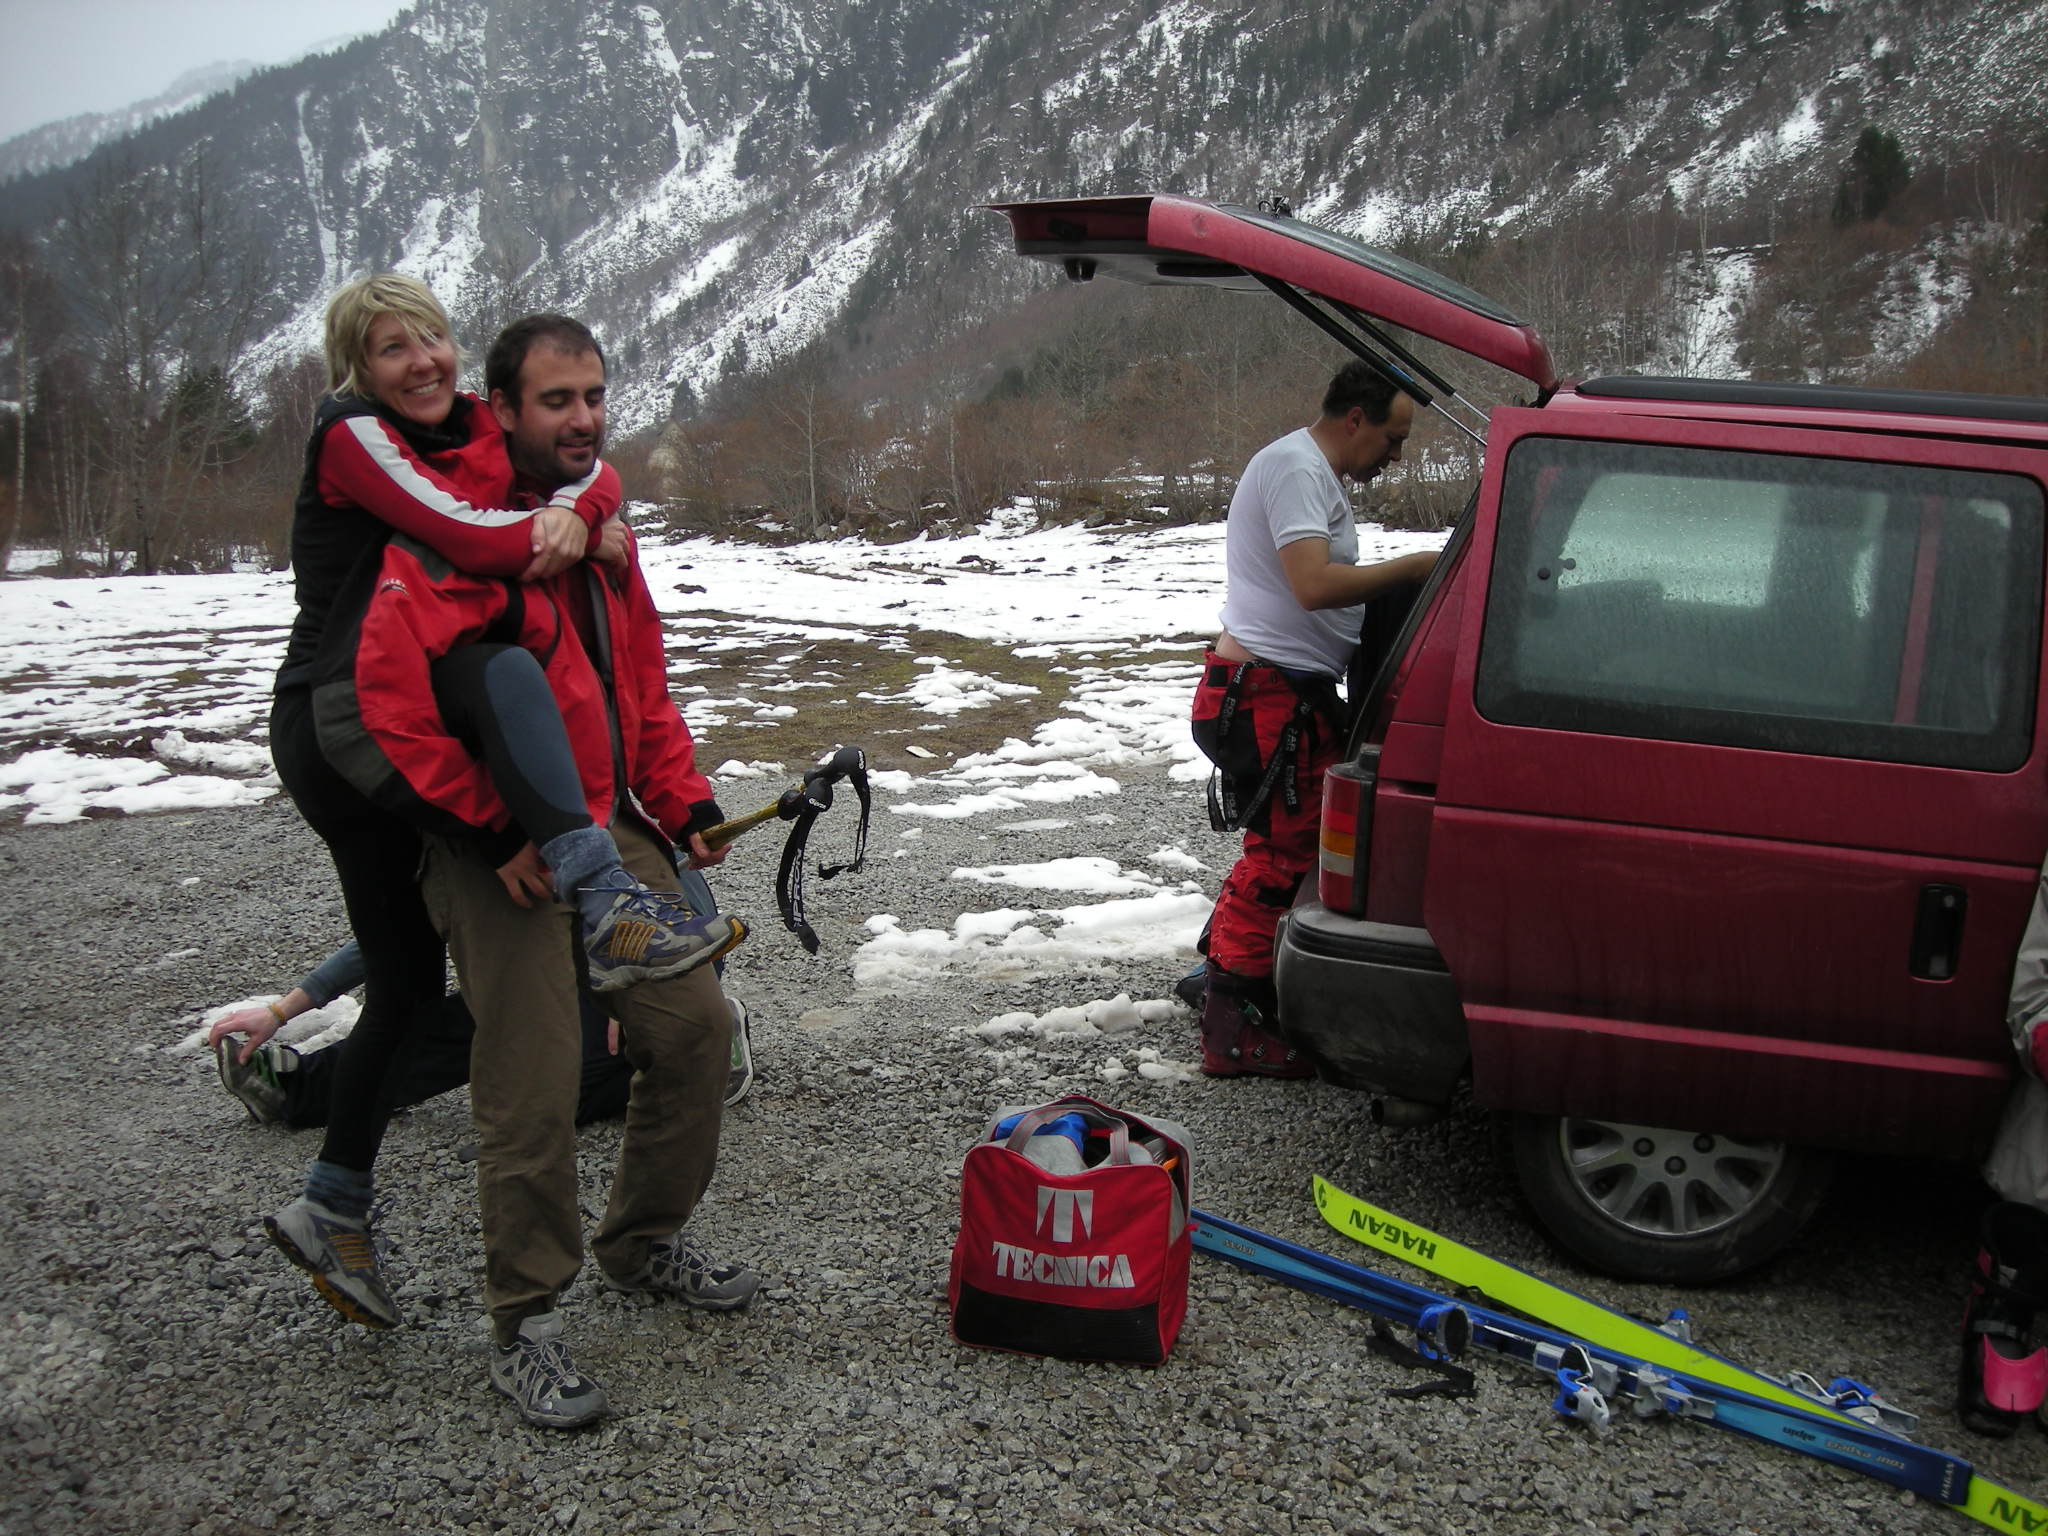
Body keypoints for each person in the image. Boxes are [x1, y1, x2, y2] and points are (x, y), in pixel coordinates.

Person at [265, 274, 738, 1337]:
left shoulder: (601, 533)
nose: (582, 419)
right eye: (555, 401)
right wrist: (483, 831)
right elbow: (386, 709)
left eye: (594, 397)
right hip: (501, 838)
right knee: (530, 1078)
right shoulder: (447, 537)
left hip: (608, 819)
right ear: (502, 411)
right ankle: (524, 1315)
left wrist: (683, 797)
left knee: (697, 1030)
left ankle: (643, 1240)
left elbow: (640, 690)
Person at [1189, 360, 1437, 1078]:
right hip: (1265, 694)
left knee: (1282, 839)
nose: (1396, 456)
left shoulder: (1307, 469)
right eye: (1393, 438)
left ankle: (1221, 974)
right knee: (1287, 853)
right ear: (1355, 418)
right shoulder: (1298, 467)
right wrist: (1415, 567)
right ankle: (1229, 1024)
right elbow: (1312, 584)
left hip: (1275, 691)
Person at [205, 932, 756, 1128]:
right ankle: (301, 1087)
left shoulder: (601, 815)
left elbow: (696, 919)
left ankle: (704, 1042)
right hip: (554, 981)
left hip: (649, 980)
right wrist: (281, 1012)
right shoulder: (467, 843)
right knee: (485, 1017)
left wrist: (640, 994)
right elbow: (397, 933)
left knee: (554, 1108)